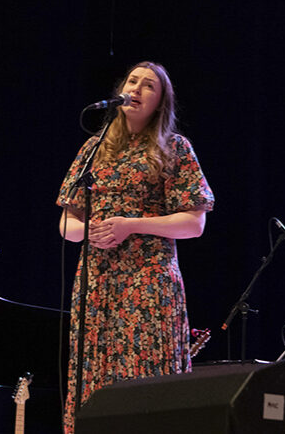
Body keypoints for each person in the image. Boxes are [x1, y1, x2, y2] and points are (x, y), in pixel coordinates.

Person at [57, 61, 214, 433]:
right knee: (95, 376)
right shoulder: (94, 149)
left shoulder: (174, 147)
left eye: (149, 86)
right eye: (132, 81)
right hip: (97, 281)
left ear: (160, 103)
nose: (137, 89)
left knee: (147, 376)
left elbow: (194, 223)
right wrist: (86, 230)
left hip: (148, 280)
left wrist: (131, 226)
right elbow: (66, 222)